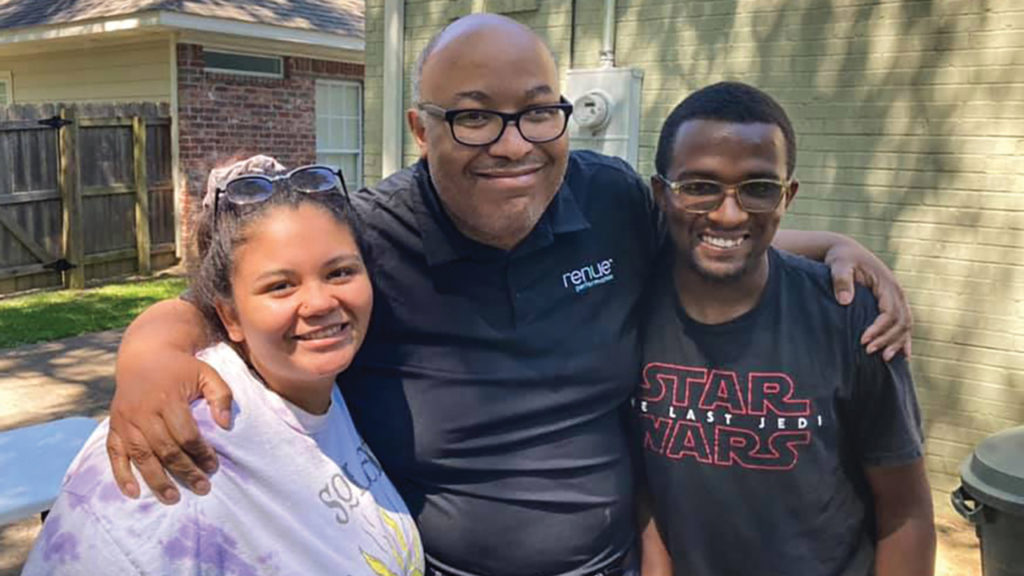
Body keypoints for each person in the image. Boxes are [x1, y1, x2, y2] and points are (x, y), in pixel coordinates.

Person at [104, 15, 913, 576]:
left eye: (536, 114)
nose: (513, 145)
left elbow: (710, 233)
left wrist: (835, 249)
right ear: (420, 130)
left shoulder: (609, 200)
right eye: (474, 118)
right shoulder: (367, 239)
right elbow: (225, 302)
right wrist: (149, 355)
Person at [22, 160, 423, 575]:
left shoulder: (319, 386)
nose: (320, 302)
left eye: (339, 272)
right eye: (281, 285)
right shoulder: (173, 450)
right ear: (229, 316)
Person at [634, 82, 935, 576]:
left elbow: (904, 510)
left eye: (758, 188)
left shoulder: (851, 318)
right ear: (661, 194)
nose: (728, 213)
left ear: (787, 196)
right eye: (699, 186)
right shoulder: (628, 306)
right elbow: (648, 490)